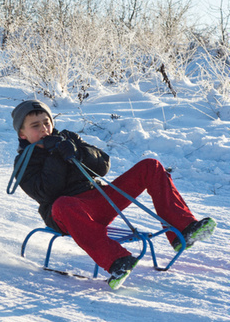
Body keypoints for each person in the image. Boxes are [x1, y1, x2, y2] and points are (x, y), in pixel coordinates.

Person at [11, 99, 216, 289]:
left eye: (46, 123)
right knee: (63, 204)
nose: (44, 129)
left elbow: (103, 166)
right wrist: (55, 155)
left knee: (150, 166)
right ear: (22, 134)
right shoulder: (23, 162)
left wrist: (78, 152)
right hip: (68, 213)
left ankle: (183, 230)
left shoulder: (68, 138)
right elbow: (47, 193)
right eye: (35, 126)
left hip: (99, 200)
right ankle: (117, 261)